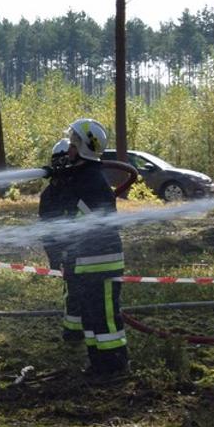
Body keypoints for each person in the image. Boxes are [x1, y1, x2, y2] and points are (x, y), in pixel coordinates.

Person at [40, 118, 130, 381]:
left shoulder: (89, 181)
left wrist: (60, 182)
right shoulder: (81, 178)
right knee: (92, 318)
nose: (68, 149)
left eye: (72, 144)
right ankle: (99, 364)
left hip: (100, 262)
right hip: (84, 262)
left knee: (105, 319)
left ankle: (114, 365)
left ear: (81, 148)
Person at [38, 138, 85, 343]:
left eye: (65, 160)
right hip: (69, 253)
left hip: (87, 251)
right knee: (73, 293)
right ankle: (73, 333)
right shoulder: (49, 194)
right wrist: (54, 256)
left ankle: (81, 329)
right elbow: (46, 229)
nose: (61, 165)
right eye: (57, 161)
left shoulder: (81, 185)